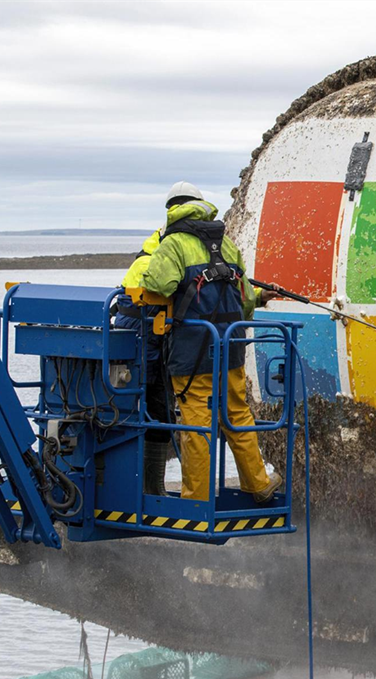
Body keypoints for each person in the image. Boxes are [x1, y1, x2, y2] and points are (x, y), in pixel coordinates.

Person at [142, 181, 281, 503]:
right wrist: (261, 297)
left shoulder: (174, 243)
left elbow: (160, 285)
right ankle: (258, 483)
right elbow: (245, 300)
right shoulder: (226, 244)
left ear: (172, 209)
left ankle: (196, 498)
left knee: (196, 423)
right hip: (230, 345)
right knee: (236, 413)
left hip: (192, 350)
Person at [112, 227, 172, 495]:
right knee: (156, 413)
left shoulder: (144, 259)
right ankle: (150, 489)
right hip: (144, 345)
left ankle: (140, 487)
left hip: (133, 344)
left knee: (138, 412)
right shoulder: (157, 264)